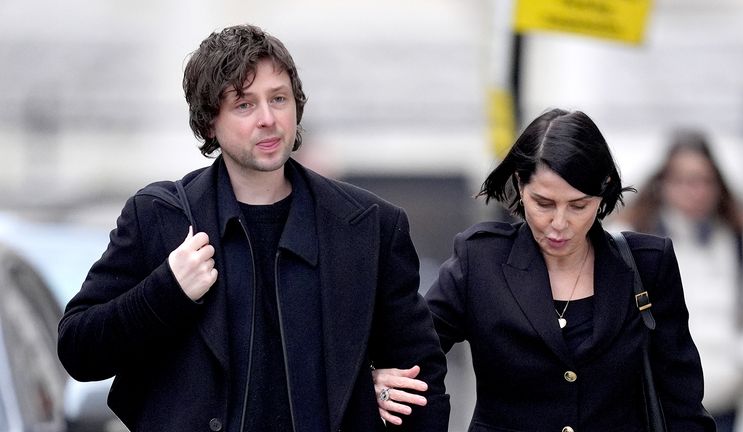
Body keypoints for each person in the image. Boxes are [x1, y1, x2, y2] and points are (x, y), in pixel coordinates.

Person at [57, 24, 449, 432]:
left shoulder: (367, 226)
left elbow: (421, 384)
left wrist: (363, 404)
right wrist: (166, 291)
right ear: (210, 122)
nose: (268, 119)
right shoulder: (159, 217)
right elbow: (79, 350)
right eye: (244, 105)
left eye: (278, 99)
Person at [372, 108, 716, 431]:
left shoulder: (648, 264)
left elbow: (681, 400)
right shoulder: (481, 259)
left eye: (579, 205)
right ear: (521, 185)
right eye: (544, 203)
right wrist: (379, 379)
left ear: (604, 191)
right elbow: (413, 347)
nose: (559, 224)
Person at [612, 130, 743, 432]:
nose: (694, 191)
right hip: (650, 403)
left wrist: (742, 367)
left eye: (703, 180)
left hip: (720, 401)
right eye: (683, 180)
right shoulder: (631, 242)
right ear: (663, 183)